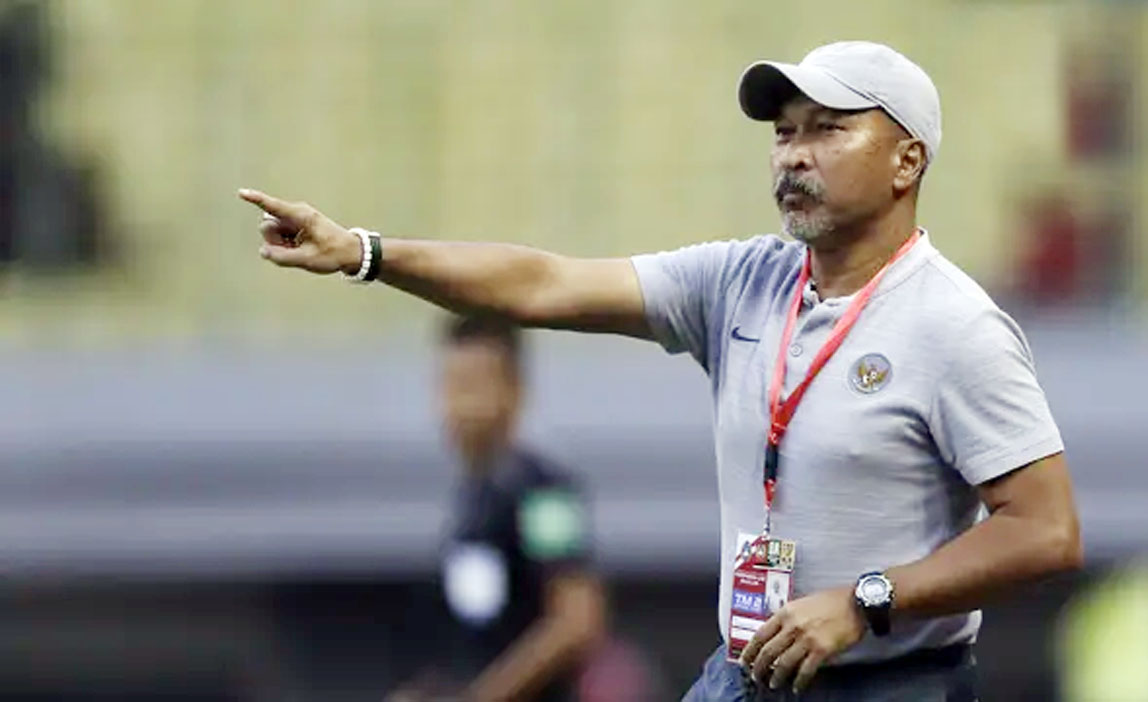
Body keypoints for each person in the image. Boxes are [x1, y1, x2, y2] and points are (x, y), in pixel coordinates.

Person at [242, 39, 1081, 701]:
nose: (793, 154)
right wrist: (363, 252)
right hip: (745, 675)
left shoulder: (952, 325)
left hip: (890, 685)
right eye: (783, 132)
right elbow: (544, 283)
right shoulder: (741, 281)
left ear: (906, 160)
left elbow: (1045, 531)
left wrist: (865, 601)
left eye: (827, 129)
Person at [388, 315, 607, 702]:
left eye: (473, 386)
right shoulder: (470, 499)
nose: (459, 406)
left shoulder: (542, 492)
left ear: (514, 391)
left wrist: (483, 696)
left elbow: (576, 620)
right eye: (450, 385)